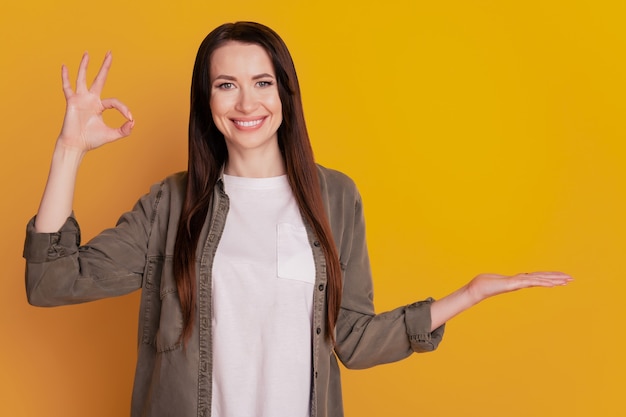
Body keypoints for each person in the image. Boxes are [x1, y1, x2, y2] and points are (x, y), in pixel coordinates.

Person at [23, 21, 572, 417]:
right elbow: (50, 282)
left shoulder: (335, 197)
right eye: (226, 85)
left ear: (284, 93)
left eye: (262, 83)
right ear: (207, 101)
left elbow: (352, 340)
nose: (246, 103)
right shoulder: (173, 203)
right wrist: (69, 150)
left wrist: (466, 295)